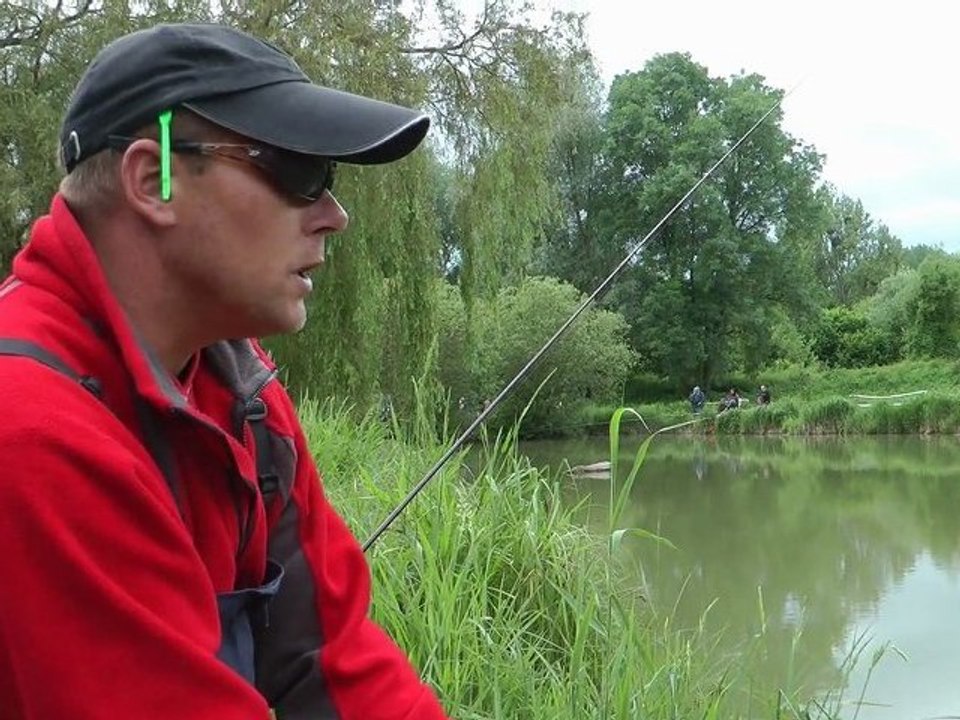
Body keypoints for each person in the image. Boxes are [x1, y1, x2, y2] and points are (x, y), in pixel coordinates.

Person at [0, 23, 447, 720]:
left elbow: (333, 668)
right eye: (299, 172)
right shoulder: (28, 431)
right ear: (155, 180)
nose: (335, 215)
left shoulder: (241, 395)